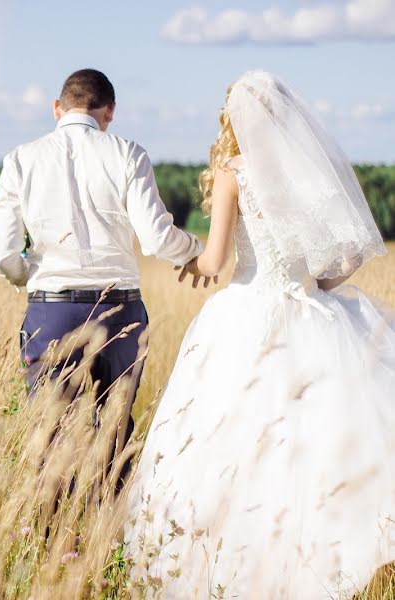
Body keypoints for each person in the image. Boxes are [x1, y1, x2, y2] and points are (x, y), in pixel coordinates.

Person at [124, 70, 394, 598]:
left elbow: (217, 258)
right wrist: (316, 285)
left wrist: (191, 262)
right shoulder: (306, 174)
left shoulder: (233, 174)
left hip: (247, 310)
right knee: (316, 442)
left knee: (235, 441)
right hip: (313, 312)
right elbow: (351, 253)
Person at [0, 68, 203, 442]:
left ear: (58, 108)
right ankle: (110, 502)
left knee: (50, 435)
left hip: (52, 309)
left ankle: (53, 502)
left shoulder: (20, 159)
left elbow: (4, 252)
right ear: (110, 111)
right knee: (115, 432)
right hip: (121, 313)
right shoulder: (129, 153)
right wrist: (195, 252)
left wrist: (26, 276)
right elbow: (155, 238)